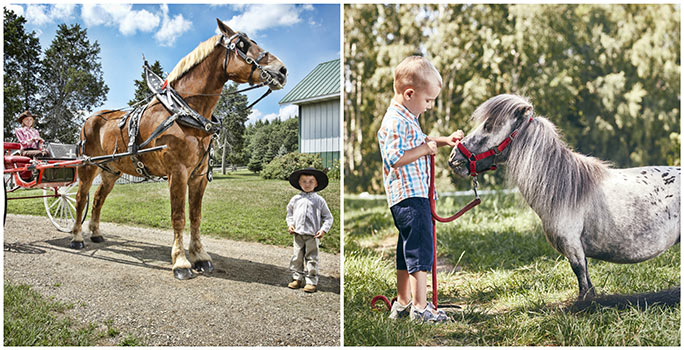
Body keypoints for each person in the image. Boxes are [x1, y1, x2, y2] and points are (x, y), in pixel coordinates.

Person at [377, 56, 464, 323]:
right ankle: (421, 308)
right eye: (428, 101)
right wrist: (425, 149)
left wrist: (442, 140)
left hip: (411, 197)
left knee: (407, 251)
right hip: (410, 197)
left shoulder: (406, 117)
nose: (429, 107)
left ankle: (403, 303)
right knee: (421, 251)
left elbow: (421, 140)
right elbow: (395, 157)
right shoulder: (394, 121)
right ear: (409, 93)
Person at [286, 168, 334, 293]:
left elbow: (328, 217)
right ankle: (297, 278)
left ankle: (311, 281)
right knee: (297, 257)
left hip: (312, 235)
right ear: (299, 183)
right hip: (298, 234)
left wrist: (323, 230)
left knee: (311, 258)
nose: (307, 184)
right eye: (304, 181)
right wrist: (290, 224)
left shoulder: (319, 200)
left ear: (316, 184)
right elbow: (289, 214)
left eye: (310, 181)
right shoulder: (295, 199)